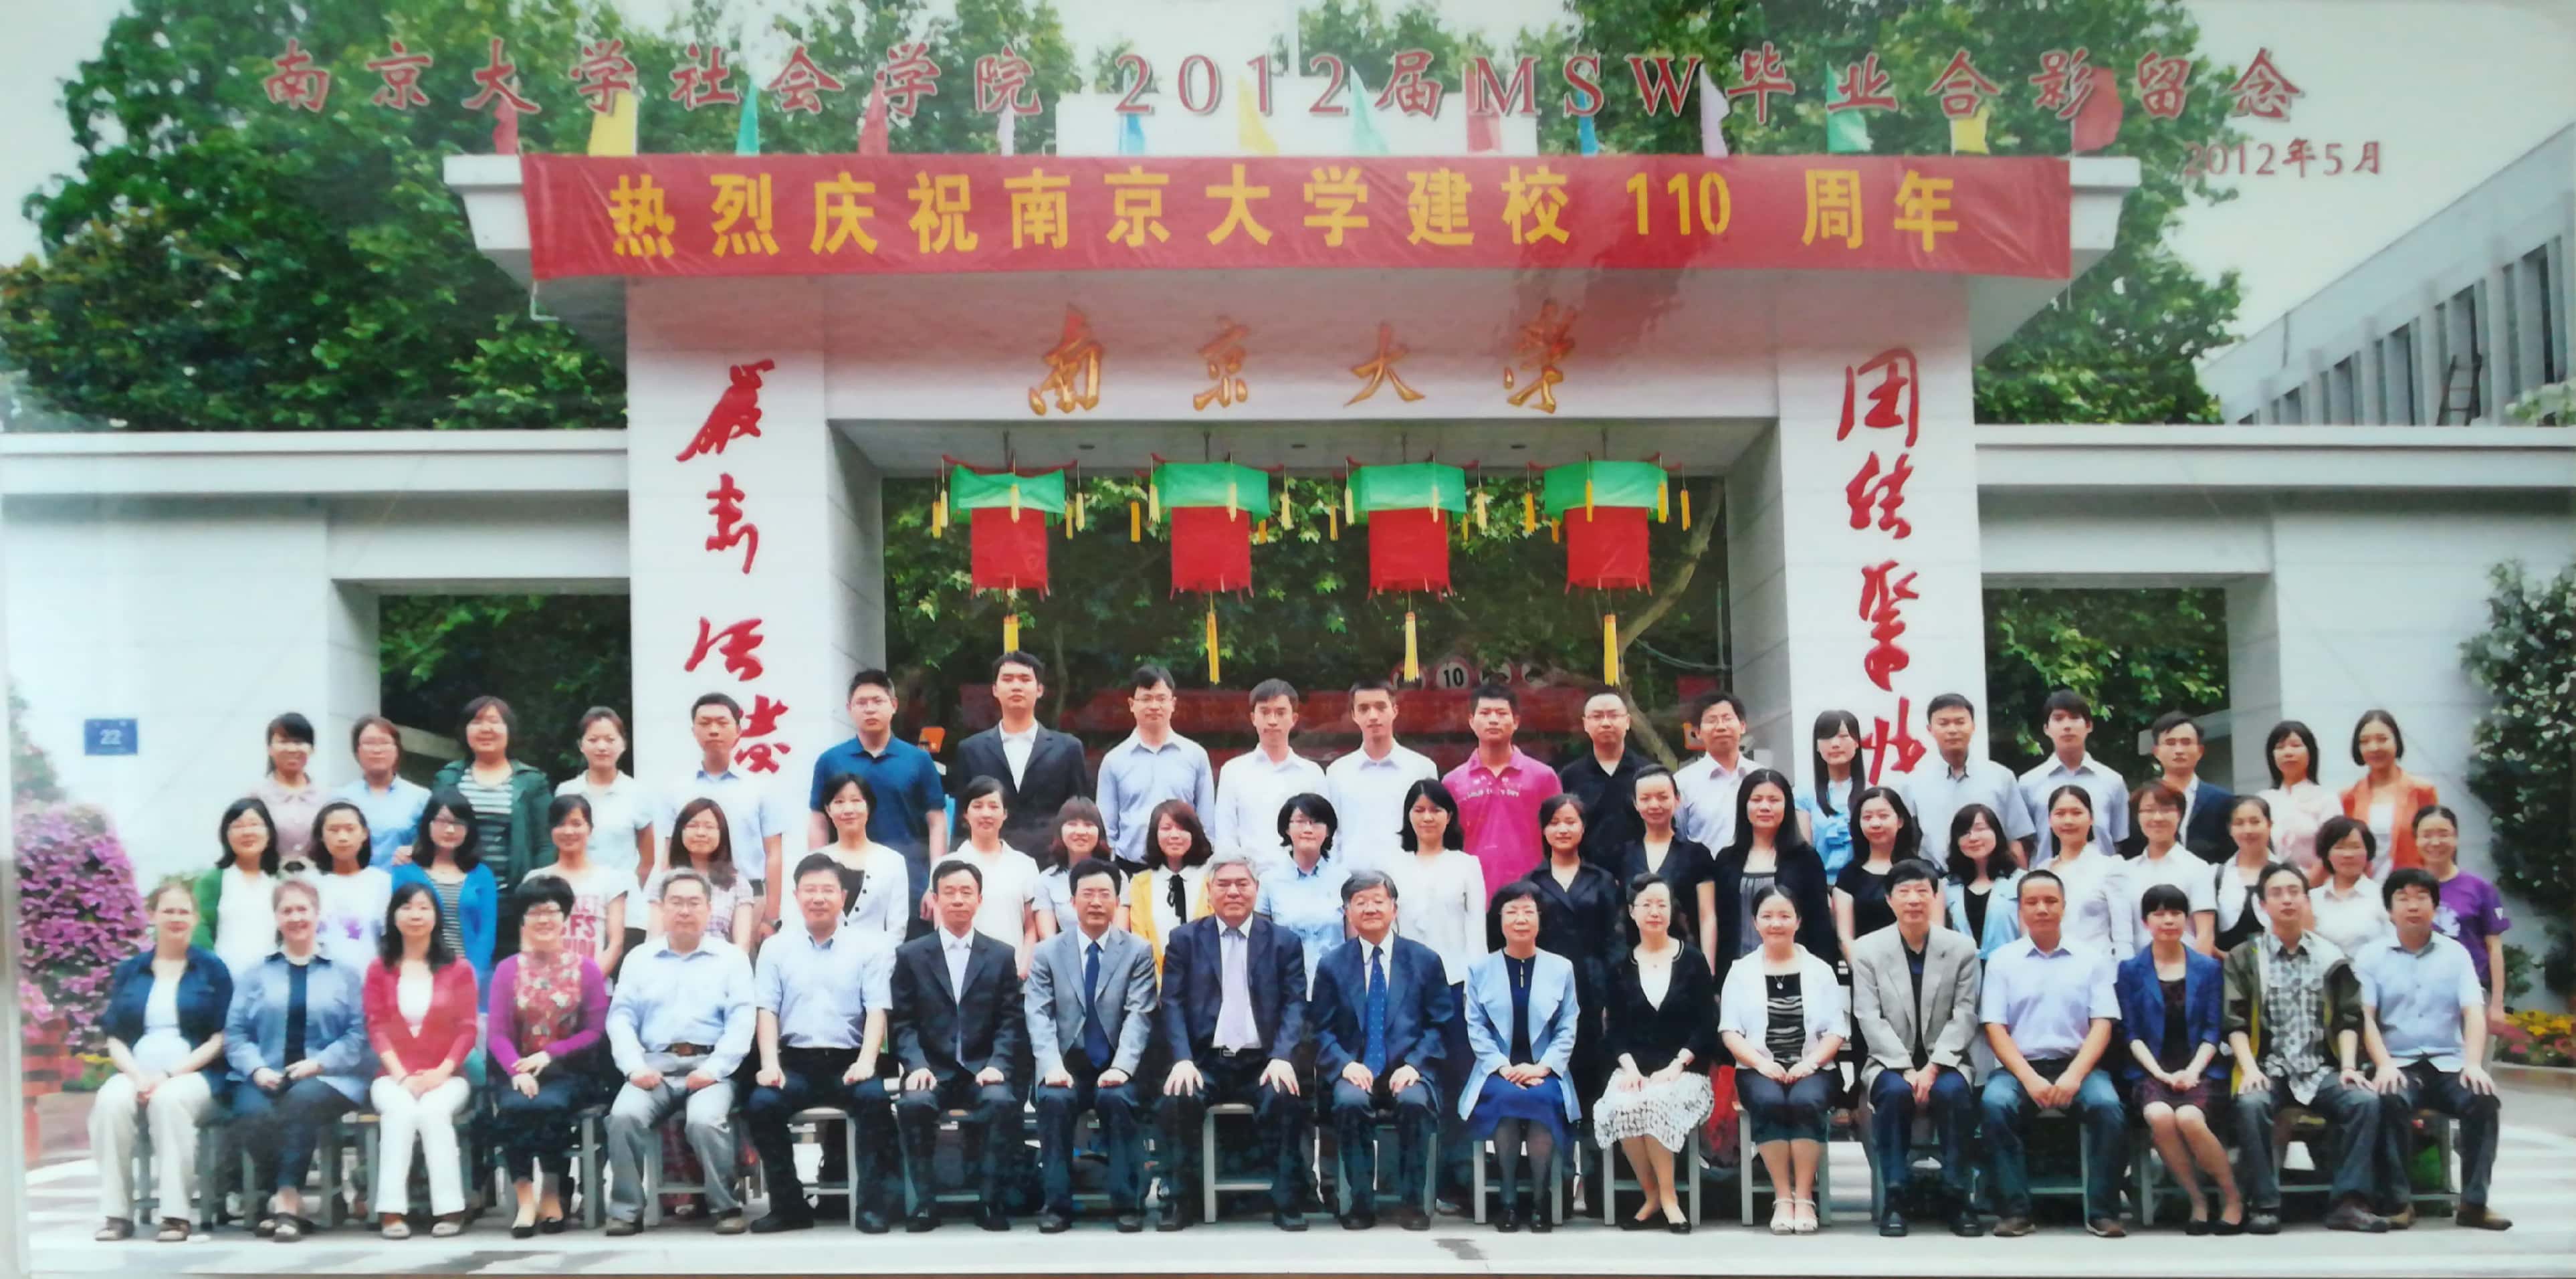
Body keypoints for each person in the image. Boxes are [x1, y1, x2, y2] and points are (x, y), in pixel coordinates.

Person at [2224, 862, 2387, 1234]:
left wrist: (2349, 1067)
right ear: (2262, 905)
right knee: (2251, 1104)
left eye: (2294, 892)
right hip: (2270, 1067)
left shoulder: (2330, 956)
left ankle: (2348, 1203)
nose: (2287, 900)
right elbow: (2234, 1021)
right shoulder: (2245, 957)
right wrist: (2250, 1070)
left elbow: (2349, 1018)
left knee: (2364, 1101)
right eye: (2277, 894)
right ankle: (2264, 1204)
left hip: (2320, 1068)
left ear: (2306, 900)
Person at [1154, 850, 1310, 1232]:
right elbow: (1171, 1003)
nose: (1234, 892)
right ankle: (1179, 1200)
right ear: (1209, 891)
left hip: (1263, 1060)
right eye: (1224, 884)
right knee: (1177, 1096)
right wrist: (1182, 1059)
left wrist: (1283, 1056)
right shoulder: (1185, 939)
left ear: (1257, 889)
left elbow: (1295, 1004)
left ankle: (1287, 1201)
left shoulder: (1284, 941)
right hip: (1206, 1060)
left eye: (1242, 884)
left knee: (1286, 1095)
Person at [745, 854, 897, 1235]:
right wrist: (770, 1063)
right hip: (795, 1064)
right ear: (796, 895)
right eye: (810, 890)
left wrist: (867, 1062)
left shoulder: (869, 947)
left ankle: (871, 1206)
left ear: (842, 897)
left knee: (875, 1101)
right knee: (762, 1104)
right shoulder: (776, 948)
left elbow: (877, 1010)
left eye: (827, 890)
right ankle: (789, 1206)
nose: (818, 898)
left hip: (849, 1062)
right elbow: (767, 1010)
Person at [603, 868, 757, 1237]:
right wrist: (634, 1067)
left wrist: (715, 1069)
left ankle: (726, 1206)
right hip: (653, 1067)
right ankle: (626, 1210)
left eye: (693, 903)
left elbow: (742, 1022)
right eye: (676, 902)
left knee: (705, 1121)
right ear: (662, 908)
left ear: (709, 909)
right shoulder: (640, 958)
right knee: (623, 1116)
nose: (685, 911)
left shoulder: (731, 959)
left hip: (709, 1067)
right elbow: (620, 1018)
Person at [2358, 868, 2513, 1231]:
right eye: (2403, 898)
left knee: (2483, 1100)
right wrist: (2383, 1064)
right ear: (2390, 910)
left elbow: (2473, 1011)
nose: (2413, 906)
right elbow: (2365, 1017)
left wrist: (2473, 1064)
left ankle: (2474, 1203)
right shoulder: (2370, 956)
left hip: (2449, 1064)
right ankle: (2400, 1202)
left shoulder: (2456, 954)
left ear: (2436, 906)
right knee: (2389, 1098)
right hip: (2399, 1063)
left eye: (2421, 897)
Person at [1976, 869, 2126, 1238]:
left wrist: (2075, 1075)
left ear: (2064, 906)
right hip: (2019, 1068)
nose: (2042, 909)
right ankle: (2015, 1211)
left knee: (2108, 1107)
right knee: (1994, 1105)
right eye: (2032, 902)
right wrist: (2029, 1078)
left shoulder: (2090, 959)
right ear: (2020, 910)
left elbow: (2103, 1024)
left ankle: (2103, 1212)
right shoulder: (2002, 961)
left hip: (2079, 1066)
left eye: (2050, 901)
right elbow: (1995, 1027)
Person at [225, 877, 369, 1243]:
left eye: (302, 909)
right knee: (250, 1111)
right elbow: (236, 1034)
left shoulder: (345, 973)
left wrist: (318, 1064)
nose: (296, 917)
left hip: (330, 1077)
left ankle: (287, 1198)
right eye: (286, 910)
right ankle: (281, 1198)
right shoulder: (256, 973)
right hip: (266, 1072)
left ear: (317, 914)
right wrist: (257, 1068)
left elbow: (358, 1034)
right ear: (276, 917)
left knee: (300, 1100)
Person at [1310, 870, 1454, 1230]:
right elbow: (1320, 1029)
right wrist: (1344, 1065)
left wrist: (1416, 1065)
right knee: (1349, 1102)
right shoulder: (1332, 964)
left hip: (1408, 1070)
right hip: (1355, 1070)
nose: (1370, 909)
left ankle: (1412, 1202)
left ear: (1394, 908)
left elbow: (1441, 1026)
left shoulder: (1424, 960)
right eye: (1360, 902)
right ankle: (1360, 1203)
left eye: (1378, 901)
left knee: (1415, 1102)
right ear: (1347, 912)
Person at [89, 880, 231, 1242]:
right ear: (152, 915)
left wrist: (169, 1075)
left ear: (195, 918)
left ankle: (175, 1215)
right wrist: (138, 1076)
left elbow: (221, 1037)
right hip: (137, 1070)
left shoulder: (212, 969)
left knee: (169, 1102)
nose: (176, 918)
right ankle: (116, 1214)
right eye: (168, 910)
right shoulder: (131, 970)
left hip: (195, 1074)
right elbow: (115, 1036)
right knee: (109, 1102)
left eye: (184, 911)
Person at [891, 858, 1029, 1232]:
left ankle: (990, 1201)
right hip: (931, 1069)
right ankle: (925, 1203)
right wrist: (916, 1065)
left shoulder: (1000, 955)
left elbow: (1010, 1020)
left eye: (966, 892)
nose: (957, 900)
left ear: (979, 900)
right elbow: (902, 1022)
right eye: (949, 892)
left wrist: (998, 1063)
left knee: (1001, 1102)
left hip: (983, 1069)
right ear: (935, 899)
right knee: (913, 1105)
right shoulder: (911, 955)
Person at [1848, 860, 1983, 1238]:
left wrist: (1934, 1067)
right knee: (1893, 1095)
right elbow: (1869, 1017)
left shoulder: (1961, 949)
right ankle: (1896, 1195)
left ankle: (1957, 1195)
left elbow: (1965, 1014)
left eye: (1922, 891)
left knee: (1954, 1095)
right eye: (1904, 892)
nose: (1913, 900)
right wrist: (1906, 1069)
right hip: (1890, 1062)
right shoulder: (1867, 950)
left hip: (1947, 1061)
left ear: (1935, 897)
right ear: (1889, 900)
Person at [1026, 858, 1158, 1234]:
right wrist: (1051, 1066)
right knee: (1054, 1101)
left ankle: (1127, 1204)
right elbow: (1038, 1014)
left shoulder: (1138, 951)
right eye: (1087, 894)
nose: (1096, 902)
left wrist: (1122, 1067)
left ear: (1117, 901)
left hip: (1116, 1063)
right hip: (1065, 1064)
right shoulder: (1048, 952)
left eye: (1105, 894)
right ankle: (1057, 1205)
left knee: (1118, 1100)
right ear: (1072, 902)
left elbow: (1139, 1015)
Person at [1384, 777, 1488, 1211]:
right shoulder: (1394, 865)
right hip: (1405, 988)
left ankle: (1457, 1180)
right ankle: (1405, 1183)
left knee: (1458, 1080)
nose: (1427, 817)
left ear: (1450, 817)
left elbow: (1477, 932)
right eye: (1419, 810)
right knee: (1409, 1078)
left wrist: (1476, 993)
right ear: (1409, 816)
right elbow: (1388, 929)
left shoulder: (1466, 865)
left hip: (1457, 985)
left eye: (1436, 810)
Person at [489, 876, 611, 1239]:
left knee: (550, 1104)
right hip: (517, 1070)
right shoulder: (507, 970)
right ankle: (525, 1196)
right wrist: (517, 1069)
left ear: (566, 917)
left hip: (569, 1071)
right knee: (515, 1105)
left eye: (552, 911)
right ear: (523, 920)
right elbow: (497, 1033)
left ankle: (553, 1190)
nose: (544, 919)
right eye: (534, 912)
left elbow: (594, 1031)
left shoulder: (586, 969)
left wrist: (550, 1055)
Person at [2114, 884, 2240, 1235]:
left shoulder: (2208, 968)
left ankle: (2232, 1197)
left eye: (2175, 913)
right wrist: (2161, 1074)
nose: (2168, 920)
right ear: (2146, 921)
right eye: (2159, 913)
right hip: (2151, 1069)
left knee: (2188, 1117)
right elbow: (2131, 1033)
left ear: (2186, 919)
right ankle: (2197, 1200)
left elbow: (2213, 1030)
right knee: (2159, 1115)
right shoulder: (2130, 970)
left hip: (2202, 1067)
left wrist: (2192, 1071)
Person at [1593, 876, 1715, 1234]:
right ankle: (1651, 1196)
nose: (1654, 911)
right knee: (1625, 1104)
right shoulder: (1620, 965)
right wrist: (1629, 1068)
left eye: (1662, 904)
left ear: (1672, 911)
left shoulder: (1692, 960)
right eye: (1646, 904)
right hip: (1635, 1068)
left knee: (1656, 1101)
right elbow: (1614, 1029)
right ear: (1632, 912)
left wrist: (1678, 1065)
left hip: (1684, 1070)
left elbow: (1706, 1023)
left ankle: (1669, 1198)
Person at [1722, 884, 1846, 1238]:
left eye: (1784, 915)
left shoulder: (1820, 970)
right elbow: (1729, 1031)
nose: (1776, 923)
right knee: (1769, 1101)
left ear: (1798, 921)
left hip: (1813, 1066)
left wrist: (1811, 1064)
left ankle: (1804, 1197)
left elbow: (1836, 1031)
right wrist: (1761, 1064)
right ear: (1755, 922)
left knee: (1806, 1101)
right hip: (1758, 1067)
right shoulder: (1740, 971)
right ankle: (1782, 1197)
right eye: (1767, 916)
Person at [363, 881, 481, 1238]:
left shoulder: (459, 970)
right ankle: (391, 1211)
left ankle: (450, 1209)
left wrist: (441, 1073)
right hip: (392, 1075)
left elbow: (468, 1029)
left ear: (436, 916)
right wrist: (402, 1077)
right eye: (407, 907)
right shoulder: (379, 969)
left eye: (424, 907)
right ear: (393, 916)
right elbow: (376, 1027)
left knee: (433, 1112)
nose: (415, 915)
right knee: (399, 1112)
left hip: (448, 1075)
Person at [1463, 881, 1579, 1234]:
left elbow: (1568, 1025)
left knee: (1542, 1098)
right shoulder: (1480, 969)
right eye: (1512, 911)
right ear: (1499, 920)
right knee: (1506, 1099)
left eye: (1529, 911)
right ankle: (1509, 1201)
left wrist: (1543, 1067)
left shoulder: (1561, 968)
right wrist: (1503, 1067)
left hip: (1547, 1070)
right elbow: (1476, 1027)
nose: (1520, 919)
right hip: (1497, 1069)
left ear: (1540, 919)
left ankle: (1541, 1201)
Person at [811, 670, 952, 924]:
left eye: (878, 701)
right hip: (845, 882)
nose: (870, 709)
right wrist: (815, 877)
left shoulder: (918, 761)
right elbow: (819, 822)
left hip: (912, 881)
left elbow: (937, 822)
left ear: (894, 705)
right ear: (849, 709)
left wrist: (936, 882)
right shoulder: (830, 761)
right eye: (862, 703)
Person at [660, 693, 797, 942]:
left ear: (738, 731)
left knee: (743, 963)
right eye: (705, 723)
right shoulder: (676, 790)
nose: (714, 730)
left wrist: (770, 917)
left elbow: (774, 854)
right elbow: (669, 853)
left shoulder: (761, 788)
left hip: (750, 897)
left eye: (722, 723)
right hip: (688, 897)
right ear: (693, 731)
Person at [1708, 769, 1840, 994]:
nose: (1765, 807)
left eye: (1774, 800)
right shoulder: (1727, 859)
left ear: (1787, 806)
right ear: (1744, 805)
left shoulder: (1805, 859)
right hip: (1737, 975)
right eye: (1757, 800)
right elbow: (1721, 923)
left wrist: (1826, 982)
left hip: (1795, 977)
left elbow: (1820, 926)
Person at [1529, 795, 1622, 1106]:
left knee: (1594, 1062)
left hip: (1594, 982)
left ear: (1583, 828)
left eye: (1570, 822)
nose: (1562, 830)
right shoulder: (1532, 882)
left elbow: (1615, 938)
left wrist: (1612, 989)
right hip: (1547, 984)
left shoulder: (1602, 880)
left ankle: (1595, 1133)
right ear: (1544, 830)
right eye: (1554, 823)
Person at [947, 653, 1083, 860]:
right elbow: (962, 817)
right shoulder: (971, 750)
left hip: (1052, 862)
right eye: (1008, 679)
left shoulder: (1068, 749)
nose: (1016, 686)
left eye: (1025, 679)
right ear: (995, 689)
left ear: (1040, 690)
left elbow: (1080, 814)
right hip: (989, 864)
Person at [1444, 684, 1563, 902]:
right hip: (1471, 896)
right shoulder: (1453, 782)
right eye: (1485, 713)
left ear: (1516, 721)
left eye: (1501, 713)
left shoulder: (1543, 777)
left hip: (1533, 896)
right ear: (1471, 721)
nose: (1493, 720)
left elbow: (1560, 840)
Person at [1098, 664, 1218, 868]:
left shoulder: (1195, 756)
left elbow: (1207, 824)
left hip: (1185, 869)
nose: (1154, 706)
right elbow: (1107, 829)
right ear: (1131, 704)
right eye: (1146, 699)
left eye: (1161, 699)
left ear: (1173, 703)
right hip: (1131, 868)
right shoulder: (1114, 761)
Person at [431, 696, 555, 890]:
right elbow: (429, 833)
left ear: (509, 730)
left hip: (514, 894)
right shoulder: (448, 778)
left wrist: (538, 889)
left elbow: (545, 844)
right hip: (454, 892)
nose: (485, 729)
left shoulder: (532, 781)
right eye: (476, 722)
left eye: (494, 721)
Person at [1323, 678, 1439, 875]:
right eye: (1364, 709)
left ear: (1394, 710)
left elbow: (1433, 832)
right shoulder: (1338, 772)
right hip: (1352, 882)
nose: (1373, 716)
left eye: (1380, 707)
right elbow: (1332, 835)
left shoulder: (1421, 769)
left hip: (1410, 879)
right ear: (1353, 715)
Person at [1905, 694, 2037, 866]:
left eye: (1960, 722)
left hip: (1993, 875)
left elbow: (2017, 837)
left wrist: (2019, 878)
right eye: (1943, 723)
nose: (1952, 730)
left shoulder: (2001, 777)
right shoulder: (1915, 782)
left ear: (1973, 726)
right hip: (1937, 875)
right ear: (1930, 729)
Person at [2412, 806, 2512, 1030]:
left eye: (2444, 834)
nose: (2435, 842)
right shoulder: (2407, 888)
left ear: (2456, 838)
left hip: (2473, 993)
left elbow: (2494, 947)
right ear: (2416, 840)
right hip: (2420, 996)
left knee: (2474, 1053)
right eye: (2427, 835)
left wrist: (2497, 1004)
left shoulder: (2479, 888)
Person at [390, 790, 500, 991]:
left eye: (458, 823)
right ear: (428, 823)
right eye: (442, 821)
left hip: (465, 979)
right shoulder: (405, 871)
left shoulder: (482, 875)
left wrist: (471, 978)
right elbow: (395, 926)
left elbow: (486, 933)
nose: (450, 830)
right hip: (417, 975)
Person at [1214, 679, 1327, 861]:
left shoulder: (1312, 774)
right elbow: (1225, 837)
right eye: (1265, 712)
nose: (1272, 721)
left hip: (1300, 874)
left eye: (1280, 713)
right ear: (1253, 718)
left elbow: (1324, 833)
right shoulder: (1233, 772)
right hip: (1248, 875)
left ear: (1294, 719)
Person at [1619, 767, 1717, 969]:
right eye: (1646, 798)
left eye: (1663, 797)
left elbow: (1707, 916)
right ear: (1635, 803)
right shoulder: (1623, 855)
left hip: (1686, 963)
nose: (1655, 805)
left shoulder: (1697, 854)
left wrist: (1708, 969)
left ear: (1677, 799)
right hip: (1635, 963)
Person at [947, 777, 1045, 973]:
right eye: (978, 806)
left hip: (1013, 974)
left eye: (994, 806)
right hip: (962, 973)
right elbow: (943, 927)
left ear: (1005, 813)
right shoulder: (947, 865)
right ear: (965, 813)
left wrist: (1023, 969)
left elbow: (1031, 928)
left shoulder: (1025, 865)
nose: (986, 813)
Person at [2016, 690, 2128, 863]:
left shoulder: (2113, 781)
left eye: (2075, 718)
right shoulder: (2028, 783)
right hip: (2047, 876)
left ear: (2089, 726)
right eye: (2058, 719)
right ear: (2046, 729)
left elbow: (2120, 841)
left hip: (2102, 876)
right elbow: (2023, 843)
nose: (2067, 726)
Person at [527, 795, 629, 981]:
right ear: (550, 830)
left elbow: (616, 944)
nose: (568, 831)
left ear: (590, 828)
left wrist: (588, 984)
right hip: (543, 986)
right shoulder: (535, 879)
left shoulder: (612, 880)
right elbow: (528, 941)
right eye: (560, 824)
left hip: (594, 985)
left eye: (576, 824)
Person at [557, 707, 657, 896]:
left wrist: (630, 892)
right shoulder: (566, 791)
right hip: (576, 894)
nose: (602, 747)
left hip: (623, 897)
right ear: (581, 745)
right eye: (593, 740)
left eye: (610, 740)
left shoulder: (638, 793)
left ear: (623, 744)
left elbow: (648, 860)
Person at [1257, 793, 1352, 991]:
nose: (1308, 829)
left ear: (1328, 831)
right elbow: (1261, 946)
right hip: (1286, 989)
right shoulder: (1269, 881)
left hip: (1335, 987)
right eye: (1300, 821)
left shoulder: (1344, 880)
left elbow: (1354, 944)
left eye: (1316, 822)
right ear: (1286, 828)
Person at [2033, 784, 2137, 961]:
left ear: (2091, 818)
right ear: (2049, 820)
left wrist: (2124, 971)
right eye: (2060, 814)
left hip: (2097, 967)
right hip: (2049, 966)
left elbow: (2123, 936)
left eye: (2077, 813)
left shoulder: (2110, 868)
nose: (2068, 821)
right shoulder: (2041, 871)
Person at [645, 797, 757, 947]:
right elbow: (654, 939)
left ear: (722, 834)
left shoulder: (737, 884)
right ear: (680, 832)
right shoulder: (663, 882)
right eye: (693, 826)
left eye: (709, 827)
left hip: (720, 960)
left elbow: (742, 945)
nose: (701, 833)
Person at [814, 773, 913, 943]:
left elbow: (897, 929)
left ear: (868, 807)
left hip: (877, 957)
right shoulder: (815, 861)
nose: (848, 809)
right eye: (839, 802)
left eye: (856, 801)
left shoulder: (893, 861)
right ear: (828, 810)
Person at [2127, 713, 2236, 864]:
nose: (2179, 750)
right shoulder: (2141, 802)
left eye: (2186, 742)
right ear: (2156, 752)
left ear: (2200, 751)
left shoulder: (2224, 801)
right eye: (2170, 743)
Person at [2124, 783, 2218, 955]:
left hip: (2184, 965)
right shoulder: (2126, 871)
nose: (2158, 818)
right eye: (2149, 810)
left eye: (2166, 810)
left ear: (2179, 815)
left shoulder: (2197, 867)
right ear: (2137, 816)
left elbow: (2205, 933)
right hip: (2137, 966)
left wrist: (2198, 970)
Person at [2343, 710, 2438, 876]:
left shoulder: (2422, 791)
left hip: (2411, 886)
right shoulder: (2348, 798)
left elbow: (2436, 846)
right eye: (2365, 741)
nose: (2374, 747)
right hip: (2363, 887)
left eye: (2382, 739)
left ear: (2397, 741)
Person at [196, 797, 283, 977]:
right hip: (223, 980)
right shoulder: (214, 881)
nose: (247, 832)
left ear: (269, 833)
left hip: (272, 982)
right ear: (226, 836)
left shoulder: (281, 882)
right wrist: (212, 971)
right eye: (238, 826)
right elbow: (198, 929)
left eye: (254, 824)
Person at [1558, 691, 1646, 868]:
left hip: (1641, 873)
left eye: (1613, 715)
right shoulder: (1569, 777)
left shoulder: (1647, 774)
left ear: (1628, 722)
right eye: (1597, 716)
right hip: (1585, 875)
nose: (1606, 723)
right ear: (1585, 724)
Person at [1831, 786, 1918, 960]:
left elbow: (1936, 929)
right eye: (1867, 817)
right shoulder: (1849, 876)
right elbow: (1845, 938)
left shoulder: (1921, 871)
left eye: (1883, 816)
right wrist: (1866, 972)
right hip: (1866, 967)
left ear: (1900, 821)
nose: (1875, 823)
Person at [1127, 799, 1215, 969]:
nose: (1175, 835)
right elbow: (1140, 943)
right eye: (1166, 828)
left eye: (1182, 828)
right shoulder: (1140, 884)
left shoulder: (1211, 879)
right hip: (1156, 980)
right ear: (1155, 834)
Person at [308, 801, 394, 970]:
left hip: (369, 978)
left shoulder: (383, 883)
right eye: (334, 830)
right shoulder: (308, 884)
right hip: (319, 980)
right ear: (321, 836)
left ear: (364, 834)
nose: (342, 837)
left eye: (350, 829)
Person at [334, 715, 429, 867]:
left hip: (402, 879)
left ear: (397, 750)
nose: (377, 750)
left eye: (384, 743)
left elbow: (433, 846)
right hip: (354, 879)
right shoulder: (341, 798)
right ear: (357, 751)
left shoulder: (420, 797)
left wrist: (416, 852)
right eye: (369, 743)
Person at [2258, 720, 2343, 878]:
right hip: (2270, 886)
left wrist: (2304, 886)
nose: (2288, 752)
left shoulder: (2326, 798)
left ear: (2311, 752)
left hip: (2316, 886)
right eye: (2280, 747)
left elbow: (2332, 850)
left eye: (2296, 745)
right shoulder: (2263, 800)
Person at [1792, 710, 1868, 878]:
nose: (1835, 744)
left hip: (1864, 885)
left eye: (1843, 736)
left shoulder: (1871, 792)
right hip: (1819, 884)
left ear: (1856, 742)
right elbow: (1804, 852)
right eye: (1827, 737)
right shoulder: (1803, 795)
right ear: (1817, 746)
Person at [1941, 804, 2024, 957]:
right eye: (1965, 832)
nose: (1973, 838)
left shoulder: (2022, 882)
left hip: (2010, 966)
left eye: (1980, 829)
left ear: (1996, 832)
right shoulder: (1946, 886)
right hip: (1964, 969)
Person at [1673, 691, 1751, 850]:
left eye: (1727, 719)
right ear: (1697, 732)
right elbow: (1678, 838)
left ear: (1743, 726)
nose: (1721, 727)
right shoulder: (1682, 783)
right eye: (1711, 720)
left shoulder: (1762, 777)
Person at [1034, 798, 1121, 935]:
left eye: (1088, 825)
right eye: (1072, 824)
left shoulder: (1117, 877)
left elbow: (1120, 935)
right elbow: (1048, 941)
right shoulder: (1046, 880)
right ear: (1060, 831)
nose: (1080, 831)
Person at [2310, 817, 2394, 957]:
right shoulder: (2312, 900)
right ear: (2327, 854)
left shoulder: (2383, 897)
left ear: (2368, 852)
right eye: (2340, 847)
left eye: (2355, 847)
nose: (2348, 855)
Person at [255, 712, 326, 874]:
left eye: (299, 742)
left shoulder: (327, 797)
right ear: (269, 749)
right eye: (284, 742)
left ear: (312, 749)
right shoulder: (257, 796)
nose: (292, 749)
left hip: (318, 880)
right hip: (270, 878)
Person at [2212, 795, 2280, 955]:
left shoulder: (2288, 874)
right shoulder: (2215, 875)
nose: (2248, 830)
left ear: (2269, 825)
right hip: (2226, 967)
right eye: (2239, 823)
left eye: (2255, 822)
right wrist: (2232, 962)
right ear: (2230, 829)